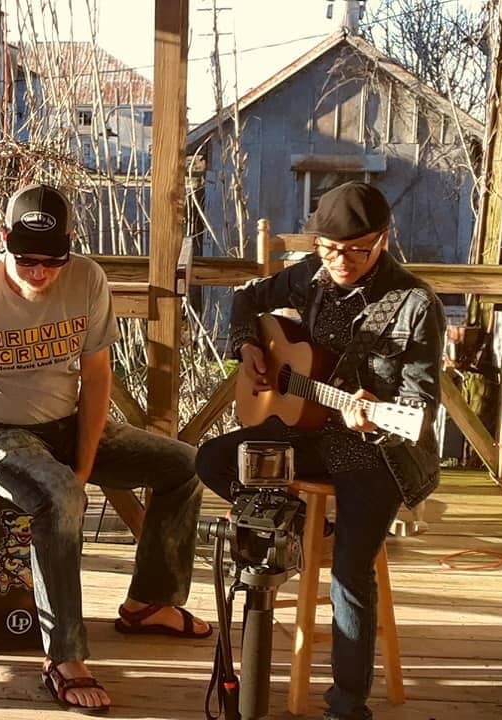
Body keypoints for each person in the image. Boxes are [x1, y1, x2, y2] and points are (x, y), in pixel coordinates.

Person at [0, 183, 211, 714]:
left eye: (52, 260)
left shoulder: (89, 279)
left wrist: (87, 460)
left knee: (183, 465)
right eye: (25, 259)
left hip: (65, 423)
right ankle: (64, 657)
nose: (39, 272)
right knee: (58, 493)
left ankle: (148, 602)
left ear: (71, 245)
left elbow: (96, 376)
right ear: (2, 239)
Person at [196, 182, 445, 720]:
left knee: (350, 574)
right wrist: (245, 345)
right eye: (331, 249)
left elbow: (419, 404)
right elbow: (246, 297)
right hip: (305, 432)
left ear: (383, 240)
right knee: (213, 460)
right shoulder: (309, 272)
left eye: (358, 250)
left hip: (374, 449)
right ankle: (303, 530)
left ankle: (347, 706)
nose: (342, 261)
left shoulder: (414, 303)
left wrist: (372, 414)